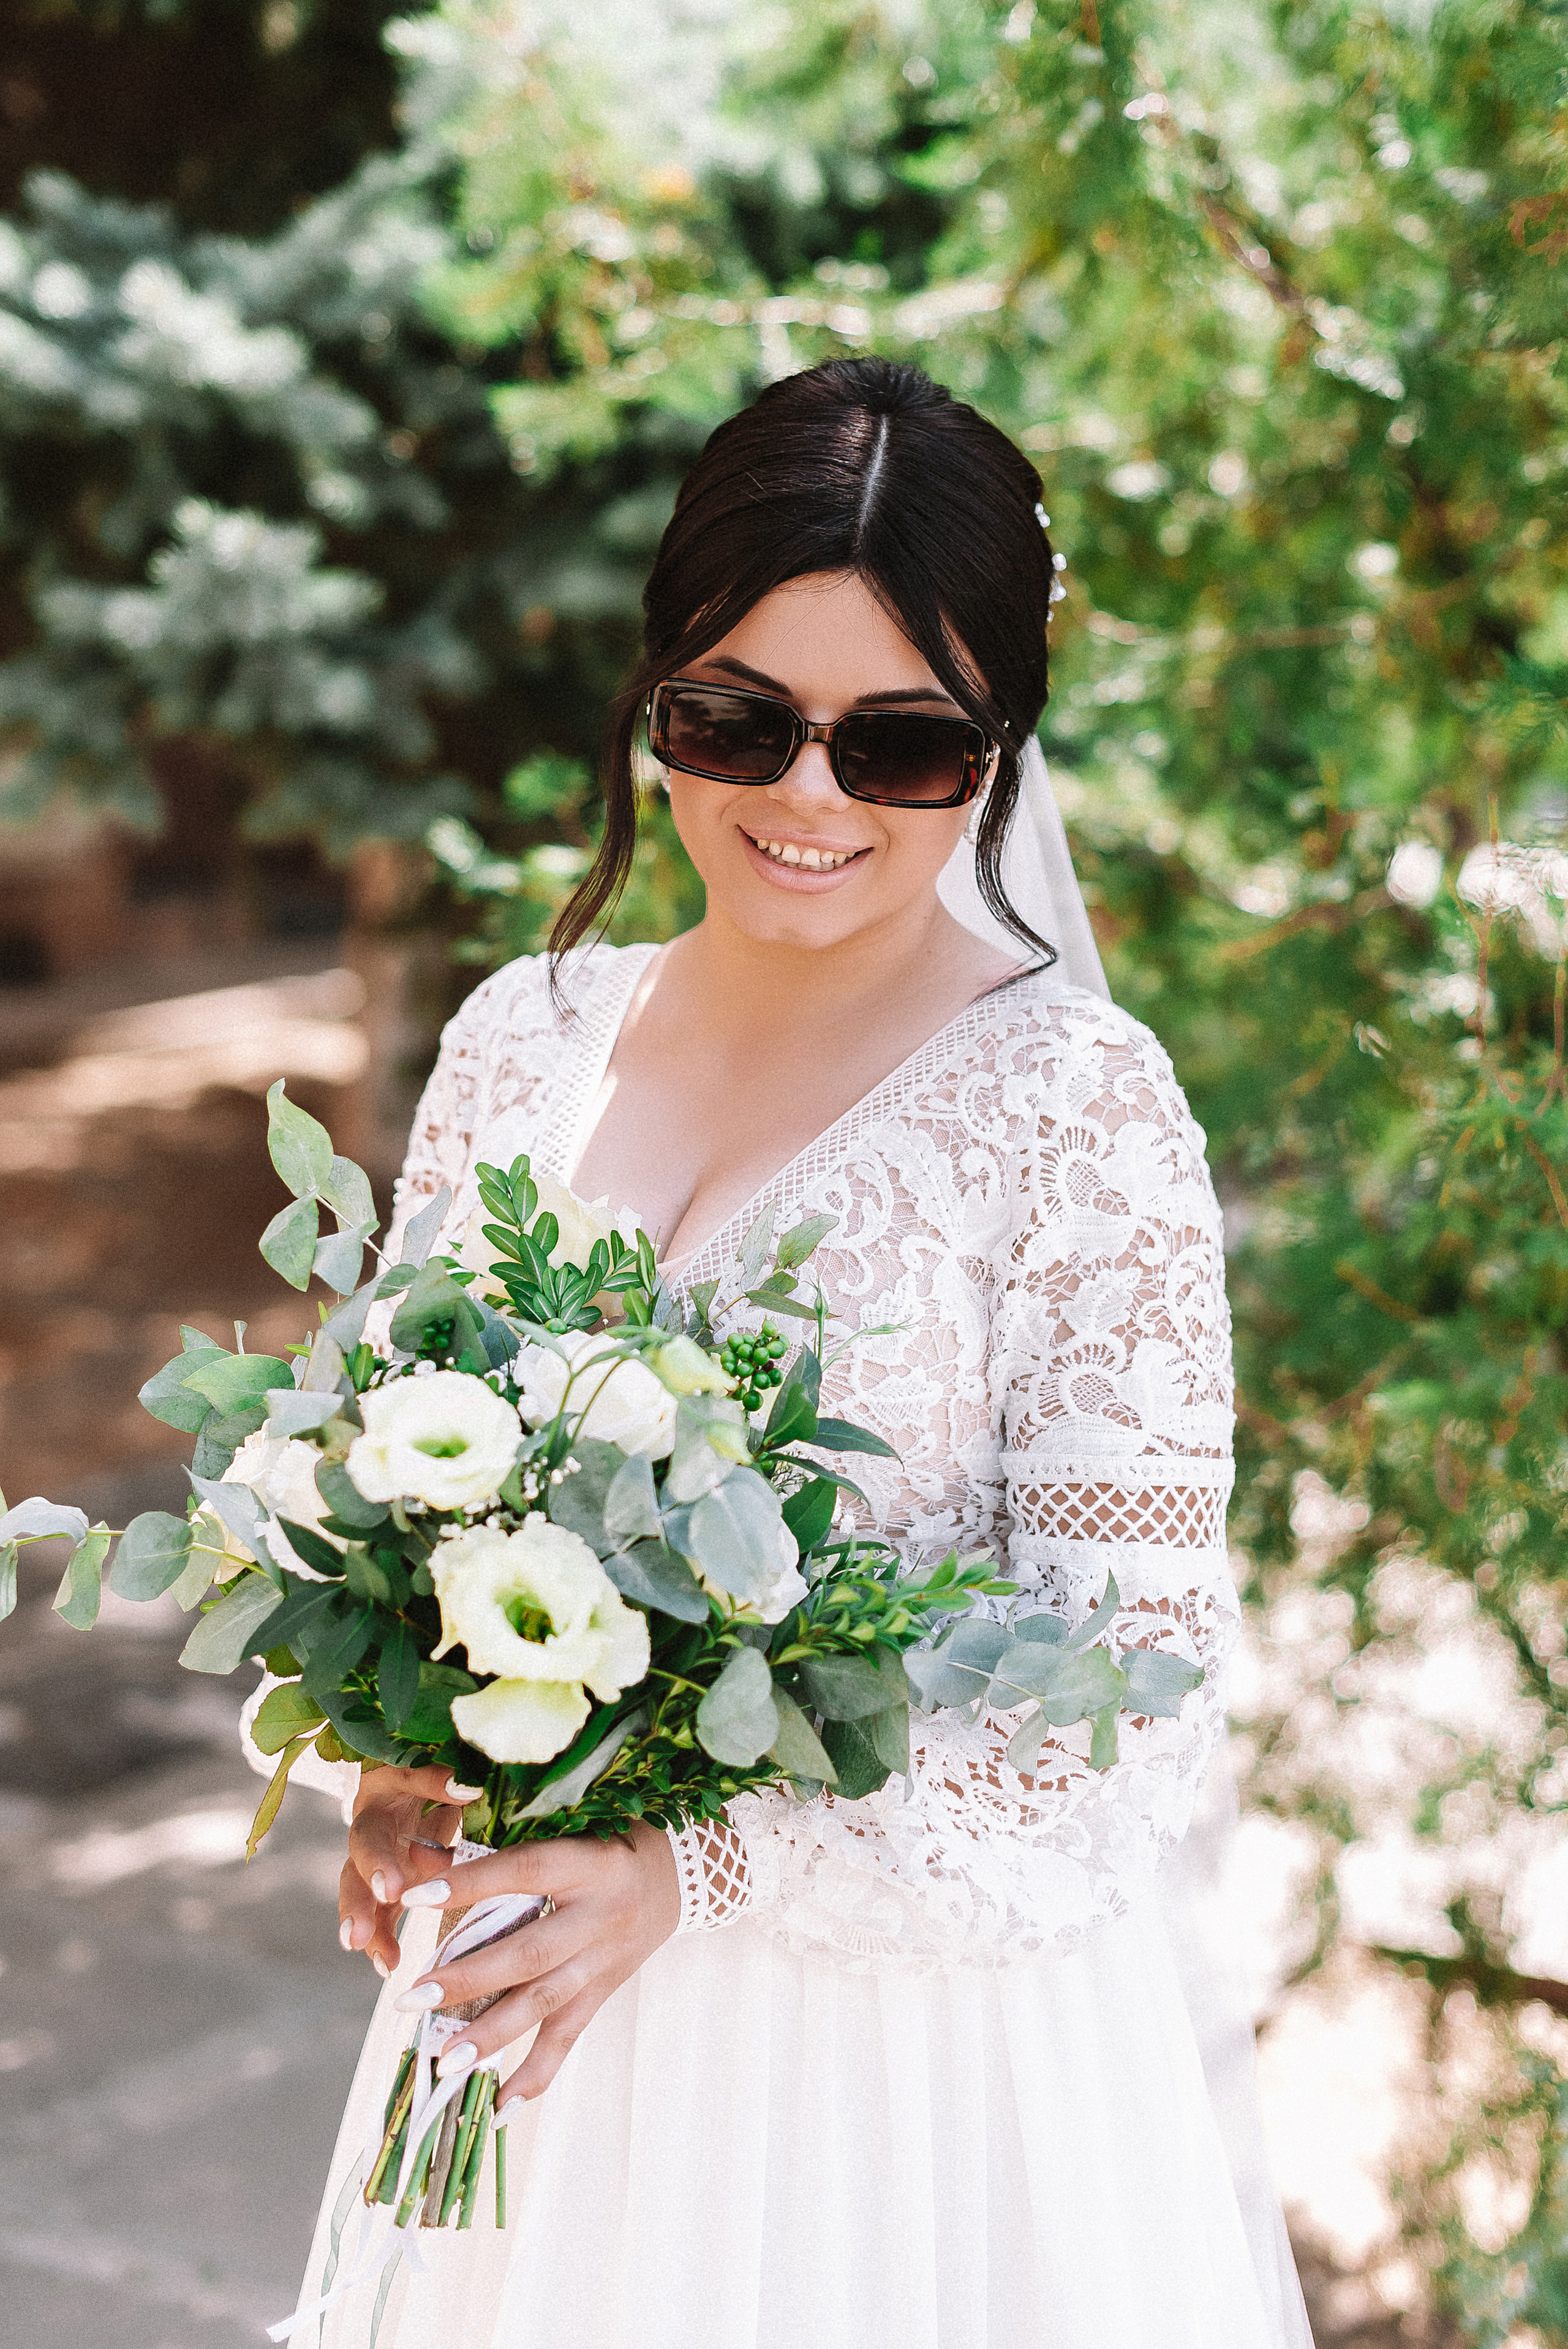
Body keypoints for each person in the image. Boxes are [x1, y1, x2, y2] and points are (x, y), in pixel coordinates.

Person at [274, 357, 1314, 2347]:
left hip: (904, 2111)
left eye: (900, 744)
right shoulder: (522, 1035)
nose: (806, 798)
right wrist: (392, 1752)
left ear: (998, 751)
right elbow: (383, 1471)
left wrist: (707, 1868)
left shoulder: (1077, 1113)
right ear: (657, 703)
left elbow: (1128, 1707)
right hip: (533, 2056)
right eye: (736, 719)